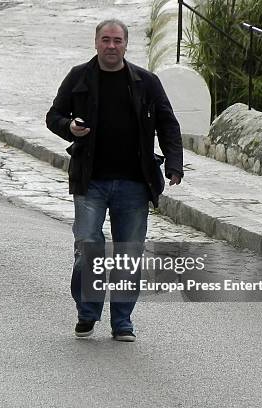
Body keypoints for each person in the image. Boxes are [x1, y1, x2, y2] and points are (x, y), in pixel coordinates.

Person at [46, 19, 183, 342]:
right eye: (105, 40)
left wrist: (173, 163)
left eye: (117, 40)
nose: (111, 46)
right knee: (88, 249)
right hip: (90, 181)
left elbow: (168, 124)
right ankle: (87, 312)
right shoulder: (79, 77)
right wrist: (70, 127)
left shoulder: (146, 82)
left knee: (128, 253)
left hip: (135, 184)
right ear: (96, 43)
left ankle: (122, 321)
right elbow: (54, 116)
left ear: (126, 44)